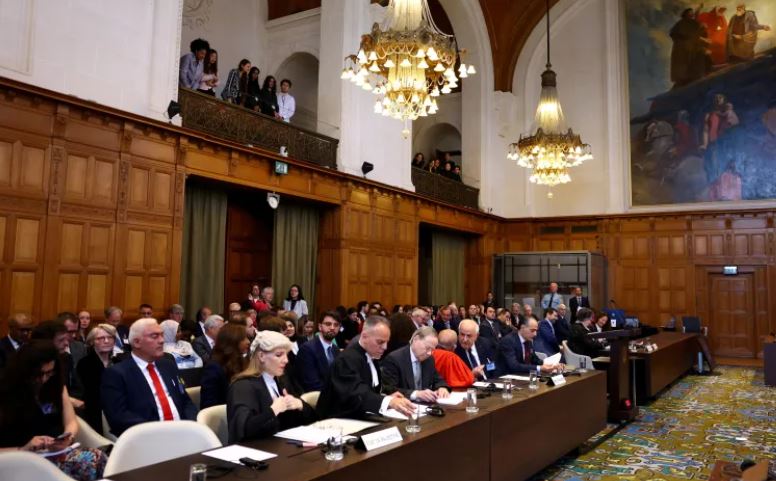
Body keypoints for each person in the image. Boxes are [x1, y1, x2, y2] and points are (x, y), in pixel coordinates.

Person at [0, 340, 107, 481]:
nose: (43, 379)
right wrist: (24, 449)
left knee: (97, 458)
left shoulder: (55, 386)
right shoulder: (5, 394)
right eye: (38, 374)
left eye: (49, 373)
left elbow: (71, 422)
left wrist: (68, 438)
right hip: (18, 459)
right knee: (87, 464)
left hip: (55, 453)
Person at [101, 318, 198, 437]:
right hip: (147, 437)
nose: (162, 340)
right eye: (154, 336)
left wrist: (191, 426)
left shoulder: (168, 365)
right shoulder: (117, 374)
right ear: (137, 342)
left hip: (183, 432)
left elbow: (185, 401)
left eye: (162, 335)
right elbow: (119, 418)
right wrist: (159, 433)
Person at [317, 316, 415, 419]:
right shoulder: (346, 359)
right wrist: (387, 401)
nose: (385, 347)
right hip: (336, 420)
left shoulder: (371, 355)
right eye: (380, 342)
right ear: (364, 336)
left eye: (387, 342)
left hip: (359, 416)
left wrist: (385, 398)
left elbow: (370, 390)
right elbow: (356, 393)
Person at [227, 330, 316, 443]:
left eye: (286, 354)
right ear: (261, 356)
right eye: (279, 355)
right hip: (255, 450)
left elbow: (312, 419)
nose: (286, 360)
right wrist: (273, 410)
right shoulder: (242, 386)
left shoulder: (281, 381)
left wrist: (300, 405)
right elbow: (243, 430)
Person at [76, 323, 124, 433]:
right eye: (101, 338)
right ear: (92, 342)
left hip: (119, 411)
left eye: (110, 337)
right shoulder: (85, 364)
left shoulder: (118, 362)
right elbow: (91, 394)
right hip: (95, 414)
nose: (106, 341)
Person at [381, 327, 450, 402]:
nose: (429, 353)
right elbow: (389, 389)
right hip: (404, 404)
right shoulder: (394, 359)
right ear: (415, 339)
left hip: (425, 405)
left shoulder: (429, 359)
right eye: (427, 348)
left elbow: (438, 379)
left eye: (432, 350)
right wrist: (416, 394)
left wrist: (442, 388)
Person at [200, 324, 249, 409]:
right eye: (244, 338)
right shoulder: (213, 368)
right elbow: (209, 406)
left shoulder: (241, 361)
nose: (248, 342)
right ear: (233, 341)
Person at [497, 317, 563, 375]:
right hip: (507, 377)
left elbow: (534, 359)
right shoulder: (508, 341)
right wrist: (539, 368)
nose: (535, 334)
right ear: (522, 327)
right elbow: (514, 366)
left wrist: (551, 365)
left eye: (536, 331)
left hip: (524, 375)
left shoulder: (528, 340)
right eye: (532, 330)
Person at [295, 311, 340, 392]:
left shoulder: (335, 350)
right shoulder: (307, 349)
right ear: (320, 327)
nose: (332, 328)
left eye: (336, 325)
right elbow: (311, 384)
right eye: (328, 324)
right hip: (315, 396)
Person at [669, 8, 711, 87]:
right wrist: (682, 39)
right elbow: (673, 33)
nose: (691, 14)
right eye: (690, 12)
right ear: (686, 14)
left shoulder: (693, 23)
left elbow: (697, 33)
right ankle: (682, 79)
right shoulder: (681, 23)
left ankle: (692, 77)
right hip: (682, 48)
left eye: (692, 13)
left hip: (692, 47)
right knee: (682, 64)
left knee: (694, 61)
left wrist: (702, 35)